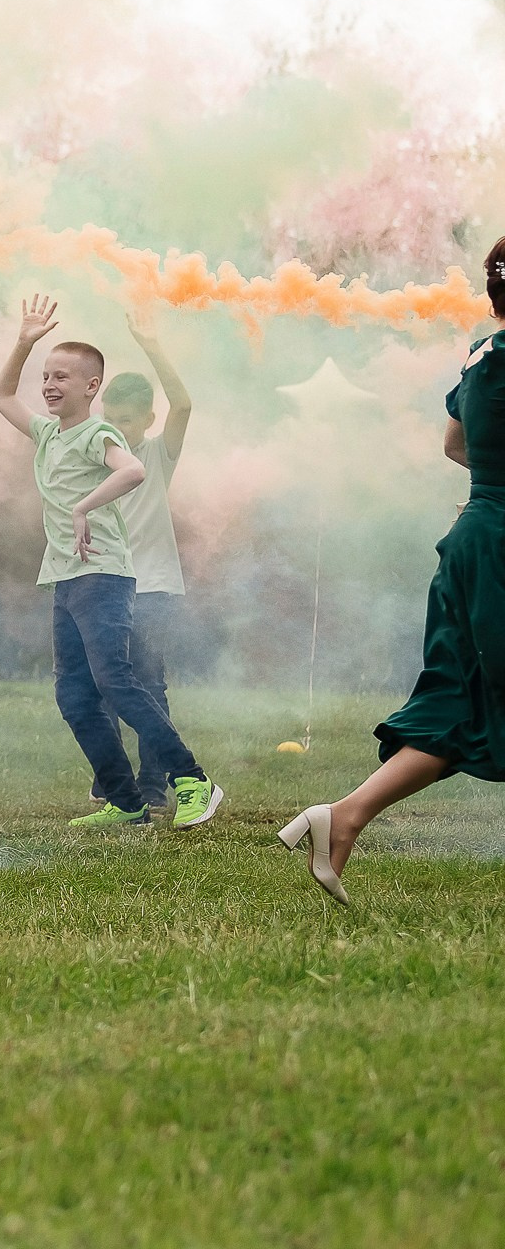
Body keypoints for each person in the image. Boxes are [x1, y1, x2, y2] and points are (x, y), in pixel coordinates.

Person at [282, 237, 505, 905]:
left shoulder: (481, 354)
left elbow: (454, 443)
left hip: (472, 541)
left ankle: (342, 817)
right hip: (497, 547)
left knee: (456, 708)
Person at [0, 295, 224, 831]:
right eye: (46, 377)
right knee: (73, 694)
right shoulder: (48, 433)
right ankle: (126, 801)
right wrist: (24, 342)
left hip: (108, 575)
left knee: (122, 681)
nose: (49, 385)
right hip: (67, 578)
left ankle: (191, 780)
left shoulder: (101, 434)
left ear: (91, 387)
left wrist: (83, 507)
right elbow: (0, 393)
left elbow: (133, 472)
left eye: (62, 377)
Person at [97, 309, 193, 811]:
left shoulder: (157, 455)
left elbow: (184, 403)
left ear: (147, 421)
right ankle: (115, 787)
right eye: (109, 419)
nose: (117, 428)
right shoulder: (93, 458)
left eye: (127, 420)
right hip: (103, 586)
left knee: (148, 683)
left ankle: (155, 786)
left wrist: (151, 344)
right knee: (102, 685)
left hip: (152, 585)